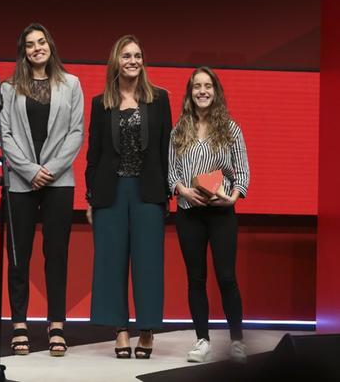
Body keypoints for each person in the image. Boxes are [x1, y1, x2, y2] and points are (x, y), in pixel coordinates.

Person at [0, 23, 84, 356]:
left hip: (58, 182)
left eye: (42, 42)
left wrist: (50, 170)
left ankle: (56, 324)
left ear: (51, 45)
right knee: (19, 257)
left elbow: (76, 132)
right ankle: (19, 323)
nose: (37, 48)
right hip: (21, 182)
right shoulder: (8, 88)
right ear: (23, 51)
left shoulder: (71, 84)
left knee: (56, 255)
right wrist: (31, 171)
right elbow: (5, 136)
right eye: (30, 44)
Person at [85, 35, 171, 359]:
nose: (133, 60)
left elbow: (165, 151)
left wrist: (166, 194)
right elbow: (93, 154)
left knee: (148, 263)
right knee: (111, 262)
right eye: (126, 55)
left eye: (137, 55)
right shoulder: (100, 102)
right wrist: (91, 197)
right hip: (111, 192)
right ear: (116, 61)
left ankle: (146, 330)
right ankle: (120, 330)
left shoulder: (159, 99)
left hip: (148, 192)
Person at [167, 66, 250, 363]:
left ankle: (237, 341)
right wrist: (182, 190)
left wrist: (232, 198)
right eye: (197, 86)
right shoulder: (179, 130)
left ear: (216, 92)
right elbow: (170, 173)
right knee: (196, 279)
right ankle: (202, 340)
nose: (202, 91)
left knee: (227, 278)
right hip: (189, 213)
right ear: (190, 93)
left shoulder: (231, 129)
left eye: (208, 86)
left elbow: (241, 172)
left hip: (221, 214)